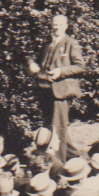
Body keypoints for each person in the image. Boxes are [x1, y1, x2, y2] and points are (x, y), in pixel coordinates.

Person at [26, 14, 87, 160]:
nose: (56, 28)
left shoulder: (71, 43)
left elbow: (80, 66)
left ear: (66, 26)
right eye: (54, 25)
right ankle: (74, 155)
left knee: (57, 128)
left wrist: (61, 71)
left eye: (60, 25)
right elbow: (31, 57)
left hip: (60, 92)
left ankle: (57, 164)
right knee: (54, 126)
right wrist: (31, 64)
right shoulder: (47, 44)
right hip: (45, 90)